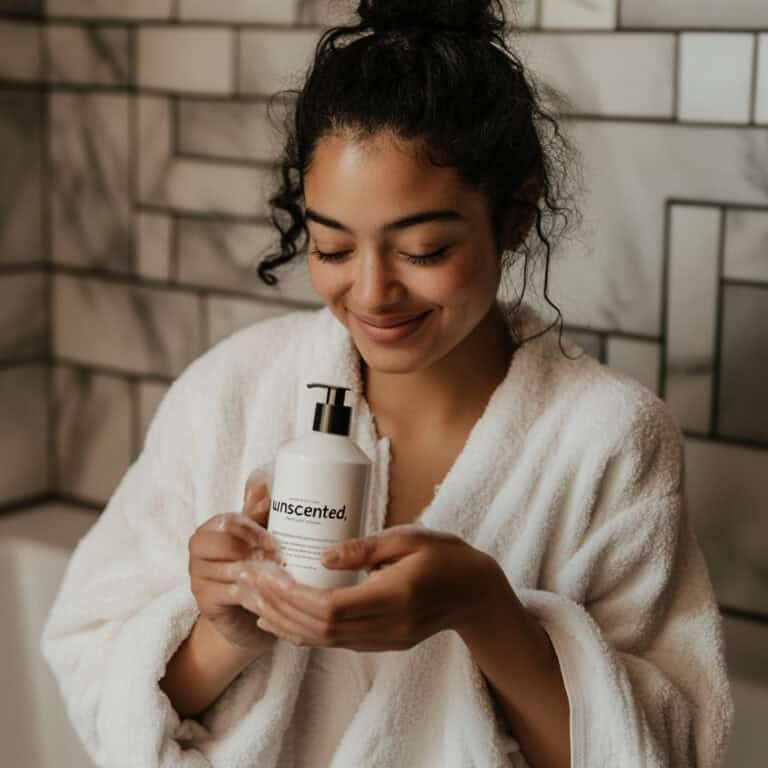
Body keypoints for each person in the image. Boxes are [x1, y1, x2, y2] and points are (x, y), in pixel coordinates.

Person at [40, 2, 734, 767]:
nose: (371, 294)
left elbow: (660, 749)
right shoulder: (230, 391)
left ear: (516, 214)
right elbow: (96, 664)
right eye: (332, 247)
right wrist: (224, 631)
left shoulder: (608, 438)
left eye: (424, 249)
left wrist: (483, 609)